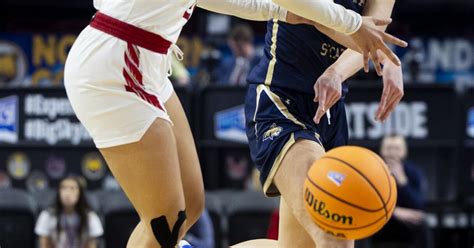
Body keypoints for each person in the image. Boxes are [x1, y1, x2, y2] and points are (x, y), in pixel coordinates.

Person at [64, 0, 406, 247]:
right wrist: (349, 23)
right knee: (166, 219)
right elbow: (333, 20)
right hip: (115, 63)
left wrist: (376, 51)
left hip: (149, 61)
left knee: (192, 205)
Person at [235, 0, 407, 247]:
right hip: (281, 99)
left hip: (329, 110)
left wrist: (339, 70)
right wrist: (380, 51)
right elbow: (309, 13)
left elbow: (373, 33)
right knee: (333, 233)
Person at [372, 134, 427, 247]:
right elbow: (367, 202)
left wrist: (402, 180)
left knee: (421, 222)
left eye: (397, 148)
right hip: (380, 221)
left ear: (404, 151)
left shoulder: (413, 171)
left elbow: (418, 204)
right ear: (382, 150)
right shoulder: (372, 169)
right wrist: (394, 212)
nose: (393, 152)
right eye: (388, 148)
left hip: (408, 225)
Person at [35, 176, 103, 248]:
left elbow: (91, 245)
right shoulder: (47, 216)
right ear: (58, 192)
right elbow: (44, 245)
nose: (67, 193)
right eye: (63, 188)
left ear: (80, 193)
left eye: (72, 188)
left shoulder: (90, 217)